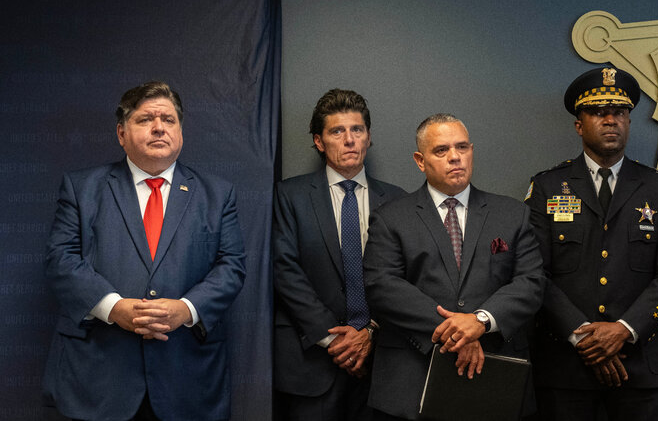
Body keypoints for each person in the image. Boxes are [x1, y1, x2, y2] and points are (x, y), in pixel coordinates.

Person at [43, 81, 246, 421]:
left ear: (181, 132)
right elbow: (61, 259)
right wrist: (113, 307)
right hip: (99, 379)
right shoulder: (82, 188)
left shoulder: (217, 194)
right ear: (121, 133)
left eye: (168, 119)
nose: (158, 128)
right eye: (145, 119)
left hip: (187, 377)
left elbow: (232, 266)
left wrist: (186, 309)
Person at [524, 67, 658, 421]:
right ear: (579, 125)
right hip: (565, 369)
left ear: (629, 121)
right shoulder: (547, 188)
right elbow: (533, 273)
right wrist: (583, 336)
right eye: (598, 112)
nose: (610, 120)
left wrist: (623, 331)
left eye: (619, 112)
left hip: (641, 367)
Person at [362, 113, 544, 421]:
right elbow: (382, 285)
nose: (455, 157)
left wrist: (480, 321)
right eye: (441, 150)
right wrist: (457, 331)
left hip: (495, 374)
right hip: (411, 379)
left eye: (462, 147)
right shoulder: (391, 217)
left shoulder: (512, 214)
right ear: (420, 160)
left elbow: (531, 282)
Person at [272, 89, 407, 421]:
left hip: (381, 362)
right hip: (312, 363)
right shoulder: (289, 195)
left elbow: (405, 278)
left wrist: (370, 331)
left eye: (357, 130)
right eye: (337, 131)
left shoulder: (398, 200)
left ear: (369, 138)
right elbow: (284, 270)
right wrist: (333, 339)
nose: (349, 140)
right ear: (319, 141)